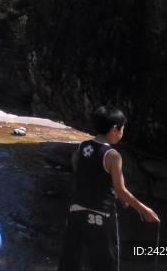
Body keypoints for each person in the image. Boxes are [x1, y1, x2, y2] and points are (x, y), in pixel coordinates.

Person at [56, 105, 159, 271]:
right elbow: (121, 191)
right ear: (114, 129)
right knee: (105, 261)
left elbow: (89, 177)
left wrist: (117, 195)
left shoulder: (82, 147)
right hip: (101, 214)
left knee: (71, 257)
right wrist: (144, 210)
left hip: (77, 210)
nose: (122, 132)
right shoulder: (113, 155)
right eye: (122, 128)